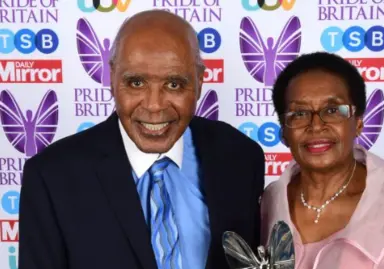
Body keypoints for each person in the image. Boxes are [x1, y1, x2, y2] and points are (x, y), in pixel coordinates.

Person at [18, 10, 265, 269]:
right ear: (112, 77)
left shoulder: (241, 156)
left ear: (200, 81)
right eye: (136, 83)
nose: (155, 105)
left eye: (174, 84)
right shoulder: (52, 176)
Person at [260, 52, 384, 268]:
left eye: (333, 110)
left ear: (358, 123)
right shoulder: (270, 202)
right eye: (299, 114)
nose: (316, 125)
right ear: (284, 132)